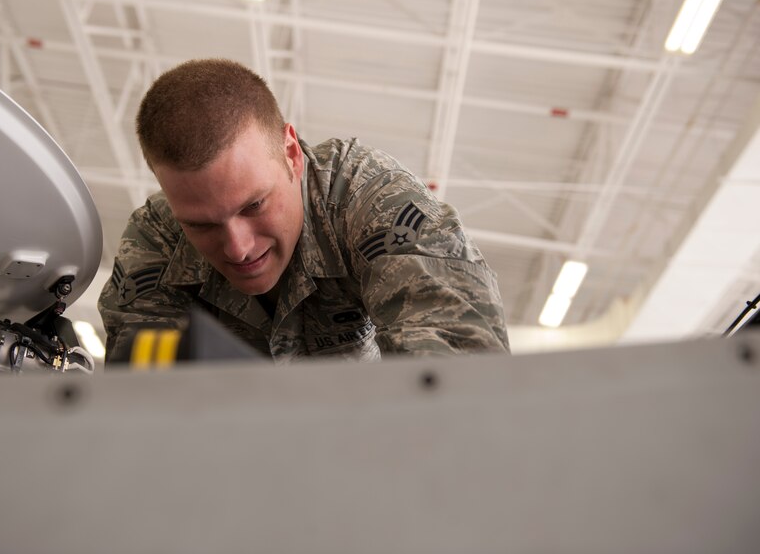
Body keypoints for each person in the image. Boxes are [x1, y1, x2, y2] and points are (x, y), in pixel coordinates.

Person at [99, 58, 509, 364]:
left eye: (254, 205)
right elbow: (146, 410)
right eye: (201, 224)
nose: (238, 248)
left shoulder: (370, 200)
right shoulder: (155, 241)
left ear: (291, 154)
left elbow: (461, 367)